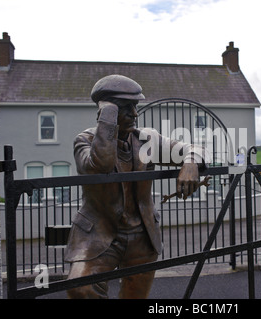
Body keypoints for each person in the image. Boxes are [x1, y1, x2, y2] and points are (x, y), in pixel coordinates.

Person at [65, 74, 209, 298]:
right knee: (81, 288)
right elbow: (101, 165)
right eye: (126, 108)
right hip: (99, 234)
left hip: (141, 236)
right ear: (106, 111)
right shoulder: (84, 141)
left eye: (135, 106)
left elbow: (197, 148)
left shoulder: (147, 140)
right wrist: (108, 118)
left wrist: (190, 163)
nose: (135, 114)